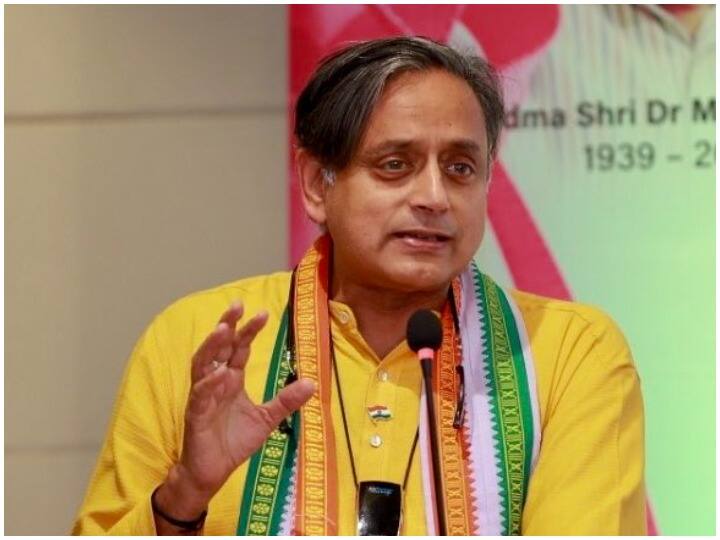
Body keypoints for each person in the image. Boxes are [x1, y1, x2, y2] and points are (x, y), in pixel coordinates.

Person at [72, 36, 645, 536]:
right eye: (395, 164)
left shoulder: (569, 353)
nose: (434, 197)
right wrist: (184, 496)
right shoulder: (200, 341)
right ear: (316, 184)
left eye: (460, 168)